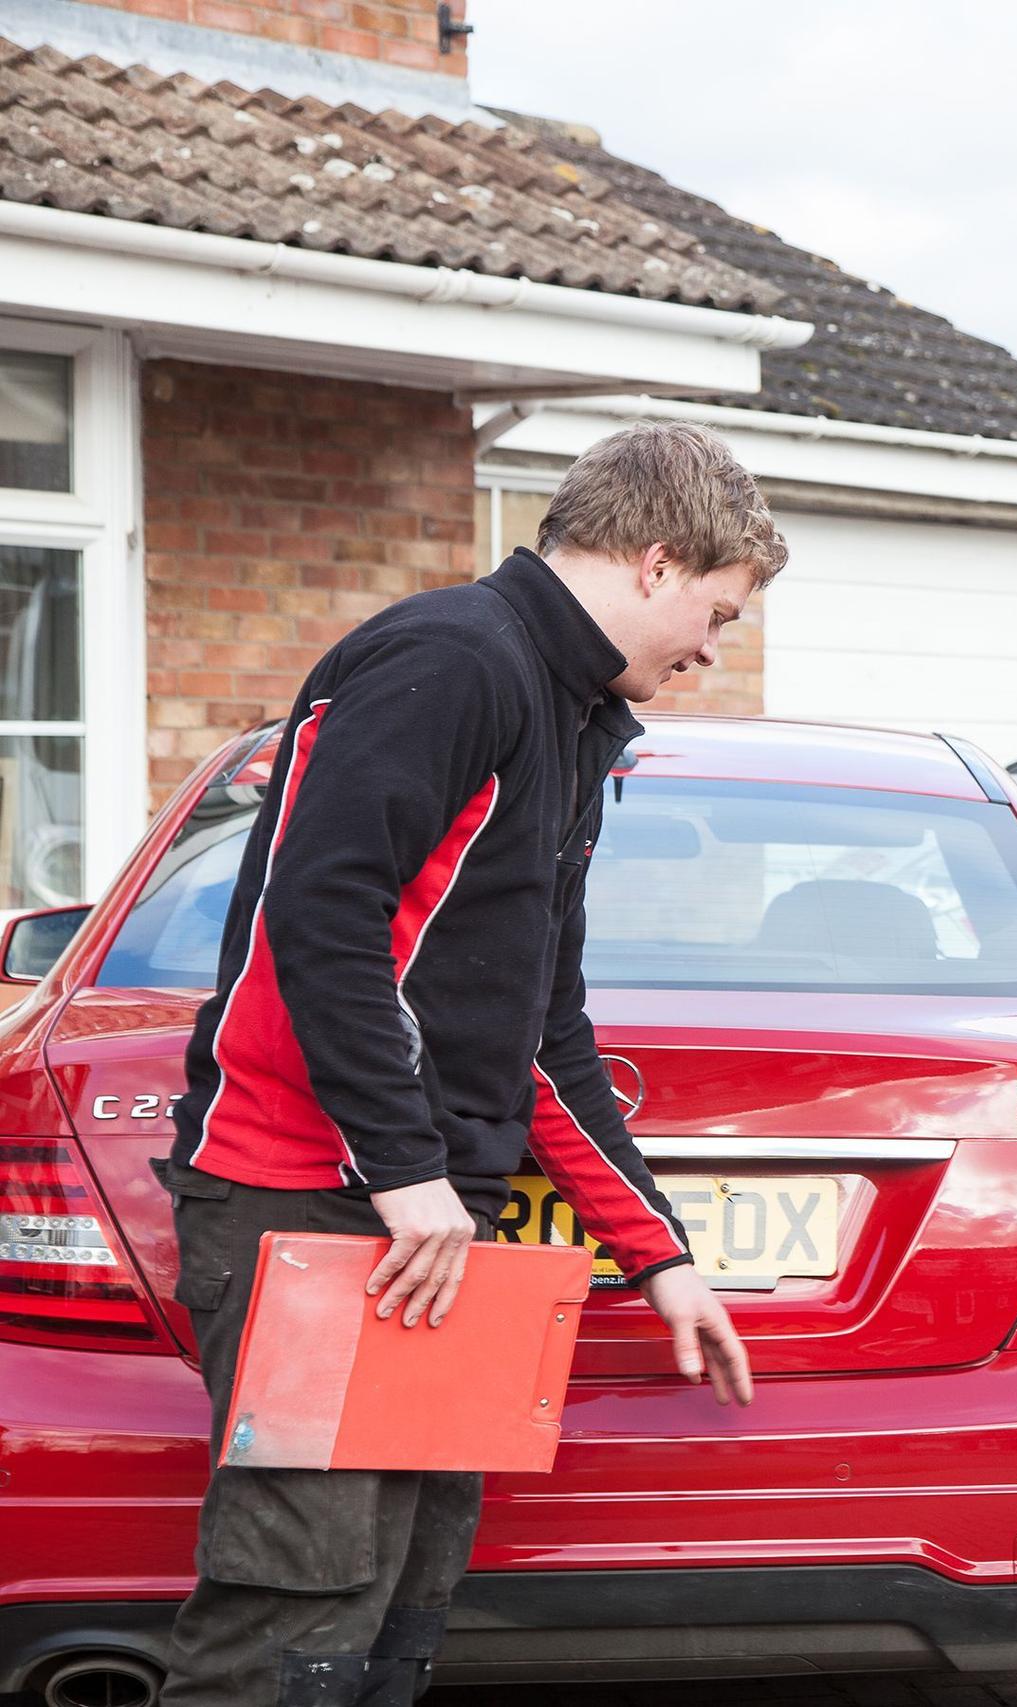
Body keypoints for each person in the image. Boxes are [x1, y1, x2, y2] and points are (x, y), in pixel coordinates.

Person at [155, 421, 781, 1707]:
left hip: (436, 1234)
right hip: (312, 1204)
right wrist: (403, 1169)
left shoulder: (572, 719)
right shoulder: (451, 660)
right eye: (717, 613)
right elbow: (319, 916)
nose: (712, 650)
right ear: (657, 562)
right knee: (296, 1613)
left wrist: (657, 1255)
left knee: (404, 1601)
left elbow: (539, 1036)